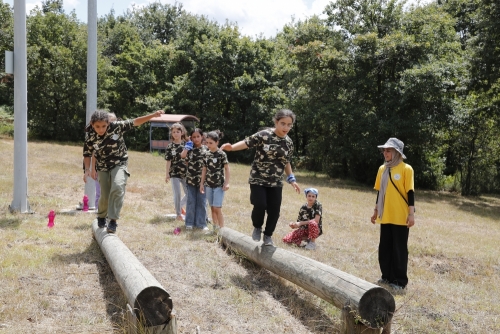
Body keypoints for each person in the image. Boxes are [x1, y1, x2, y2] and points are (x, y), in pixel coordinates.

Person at [221, 109, 300, 246]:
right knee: (260, 204)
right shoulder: (264, 135)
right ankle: (257, 227)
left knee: (274, 210)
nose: (286, 127)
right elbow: (247, 142)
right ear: (276, 122)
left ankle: (268, 236)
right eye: (283, 123)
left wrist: (291, 179)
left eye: (289, 125)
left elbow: (286, 162)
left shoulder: (289, 143)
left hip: (275, 182)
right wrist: (232, 147)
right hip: (258, 179)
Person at [83, 109, 165, 233]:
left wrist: (153, 115)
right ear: (92, 125)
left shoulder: (116, 127)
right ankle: (101, 216)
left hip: (119, 163)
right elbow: (87, 154)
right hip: (103, 166)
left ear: (108, 123)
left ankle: (113, 220)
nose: (101, 129)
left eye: (104, 126)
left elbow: (135, 122)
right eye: (97, 127)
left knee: (117, 187)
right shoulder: (90, 136)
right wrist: (87, 170)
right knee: (104, 195)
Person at [370, 137, 415, 292]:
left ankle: (400, 281)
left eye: (388, 150)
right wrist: (375, 211)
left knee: (399, 249)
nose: (385, 153)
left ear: (397, 152)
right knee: (385, 247)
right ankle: (386, 276)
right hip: (385, 215)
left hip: (401, 216)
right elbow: (379, 192)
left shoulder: (406, 169)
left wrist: (411, 214)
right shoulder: (382, 169)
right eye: (384, 150)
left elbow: (410, 193)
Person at [200, 130, 230, 230]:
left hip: (219, 186)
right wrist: (201, 184)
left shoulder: (222, 154)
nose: (208, 145)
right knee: (212, 208)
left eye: (211, 143)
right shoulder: (206, 154)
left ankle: (222, 230)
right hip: (208, 185)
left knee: (217, 208)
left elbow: (227, 169)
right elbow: (204, 169)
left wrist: (227, 183)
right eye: (207, 142)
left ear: (217, 142)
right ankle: (215, 229)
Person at [181, 128, 209, 231]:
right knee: (191, 201)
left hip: (203, 181)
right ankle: (189, 223)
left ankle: (201, 223)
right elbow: (183, 157)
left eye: (198, 136)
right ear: (191, 138)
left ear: (202, 137)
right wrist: (187, 146)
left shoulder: (207, 149)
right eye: (194, 137)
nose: (196, 139)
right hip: (191, 180)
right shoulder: (189, 149)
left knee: (202, 202)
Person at [165, 123, 189, 221]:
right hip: (174, 173)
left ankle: (179, 206)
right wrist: (167, 174)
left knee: (189, 193)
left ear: (182, 132)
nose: (175, 134)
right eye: (173, 132)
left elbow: (189, 159)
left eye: (177, 132)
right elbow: (168, 161)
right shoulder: (170, 146)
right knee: (177, 194)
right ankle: (178, 214)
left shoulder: (186, 145)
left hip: (186, 173)